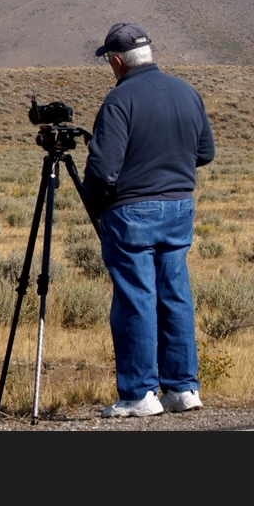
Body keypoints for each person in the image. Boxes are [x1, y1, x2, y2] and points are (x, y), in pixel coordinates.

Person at [81, 23, 216, 418]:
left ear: (117, 61)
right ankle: (183, 388)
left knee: (135, 299)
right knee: (175, 295)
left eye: (109, 60)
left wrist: (98, 202)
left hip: (133, 211)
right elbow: (205, 153)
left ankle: (140, 393)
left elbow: (103, 170)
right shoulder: (186, 92)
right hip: (179, 207)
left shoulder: (119, 100)